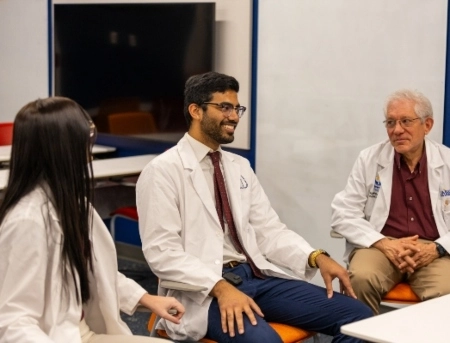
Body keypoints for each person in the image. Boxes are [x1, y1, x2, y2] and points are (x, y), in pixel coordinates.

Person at [136, 71, 372, 343]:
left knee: (359, 319)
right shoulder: (163, 171)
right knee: (264, 341)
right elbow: (162, 253)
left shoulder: (239, 167)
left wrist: (316, 256)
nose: (235, 117)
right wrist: (220, 287)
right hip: (204, 290)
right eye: (224, 107)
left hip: (256, 275)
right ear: (196, 111)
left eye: (237, 108)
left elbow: (268, 230)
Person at [0, 97, 185, 342]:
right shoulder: (27, 221)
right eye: (84, 143)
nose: (90, 154)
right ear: (63, 150)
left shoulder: (69, 203)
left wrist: (146, 299)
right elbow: (13, 322)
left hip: (81, 331)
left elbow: (98, 273)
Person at [331, 89, 450, 314]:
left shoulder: (447, 161)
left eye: (406, 121)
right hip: (381, 244)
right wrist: (384, 243)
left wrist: (437, 248)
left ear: (427, 125)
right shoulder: (370, 158)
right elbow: (342, 213)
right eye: (390, 122)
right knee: (361, 279)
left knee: (446, 291)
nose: (397, 130)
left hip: (435, 248)